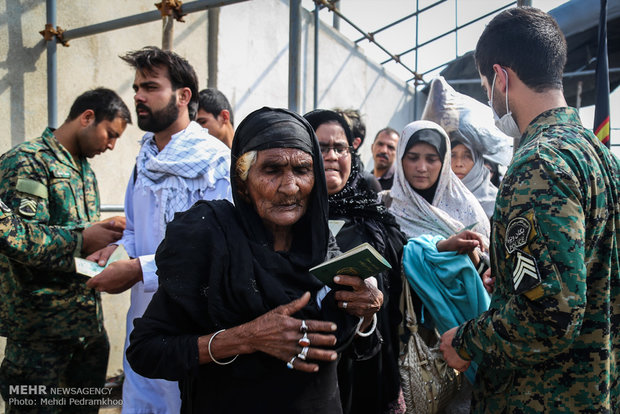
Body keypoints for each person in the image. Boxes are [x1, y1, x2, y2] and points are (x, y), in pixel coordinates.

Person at [125, 107, 381, 413]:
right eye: (272, 170)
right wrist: (244, 338)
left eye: (302, 170)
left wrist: (365, 314)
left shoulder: (320, 243)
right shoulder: (210, 240)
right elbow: (146, 351)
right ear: (243, 182)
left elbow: (359, 348)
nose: (289, 187)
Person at [439, 7, 620, 413]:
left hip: (542, 395)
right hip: (598, 389)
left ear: (501, 78)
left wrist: (466, 340)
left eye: (486, 86)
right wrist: (505, 276)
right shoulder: (600, 156)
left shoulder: (537, 164)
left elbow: (548, 316)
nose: (490, 98)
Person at [85, 47, 232, 414]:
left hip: (194, 323)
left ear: (184, 96)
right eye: (136, 87)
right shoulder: (145, 160)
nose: (137, 96)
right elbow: (135, 229)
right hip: (145, 318)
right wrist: (116, 251)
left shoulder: (215, 164)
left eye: (150, 87)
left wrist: (138, 270)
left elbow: (218, 247)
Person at [0, 88, 131, 413]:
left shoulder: (83, 170)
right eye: (110, 134)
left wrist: (105, 249)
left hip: (86, 333)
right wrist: (82, 240)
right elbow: (18, 240)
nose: (111, 145)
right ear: (87, 117)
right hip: (40, 339)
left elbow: (73, 240)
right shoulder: (27, 162)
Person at [304, 109, 407, 414]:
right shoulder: (286, 217)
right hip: (308, 368)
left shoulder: (374, 218)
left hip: (365, 362)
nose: (332, 156)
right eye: (321, 148)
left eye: (340, 148)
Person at [385, 120, 491, 413]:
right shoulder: (388, 208)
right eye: (413, 157)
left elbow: (487, 272)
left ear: (442, 163)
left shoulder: (468, 210)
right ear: (401, 159)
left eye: (431, 159)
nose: (421, 167)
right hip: (409, 337)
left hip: (462, 335)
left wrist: (473, 263)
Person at [450, 140, 497, 217]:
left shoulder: (496, 201)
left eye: (467, 156)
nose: (458, 163)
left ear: (478, 162)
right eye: (452, 155)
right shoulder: (436, 196)